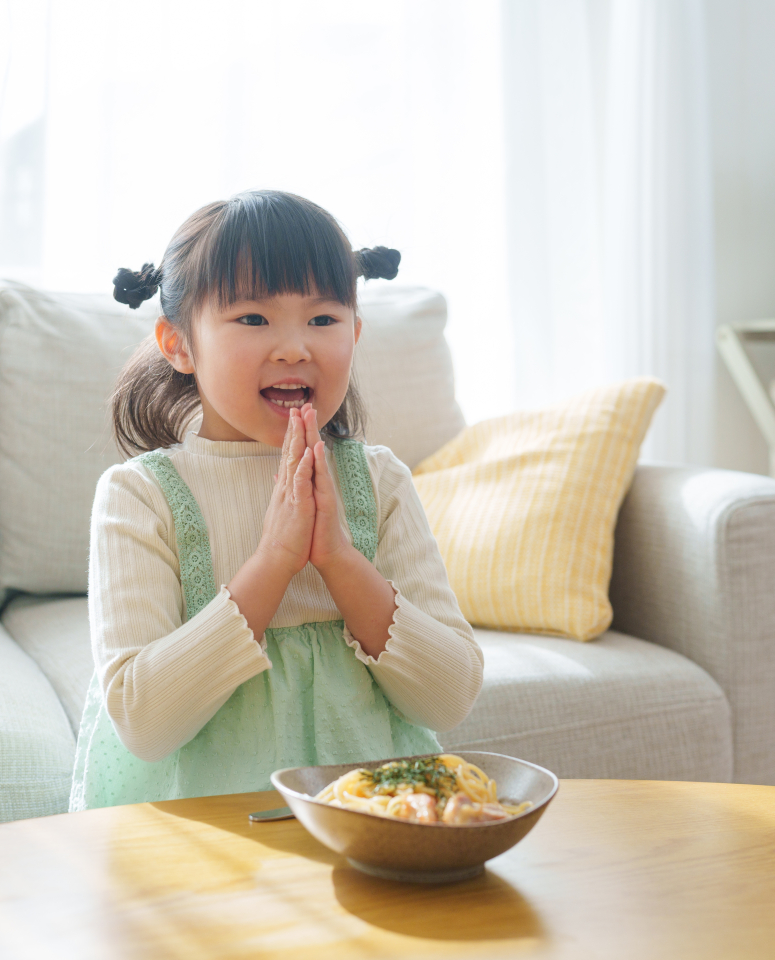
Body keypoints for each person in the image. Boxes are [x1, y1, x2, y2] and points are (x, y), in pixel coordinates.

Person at [69, 190, 483, 809]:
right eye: (254, 319)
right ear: (178, 344)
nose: (295, 348)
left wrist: (339, 559)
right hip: (205, 837)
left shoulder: (379, 482)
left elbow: (449, 697)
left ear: (357, 333)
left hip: (366, 824)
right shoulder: (140, 495)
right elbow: (143, 722)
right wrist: (272, 562)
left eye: (323, 319)